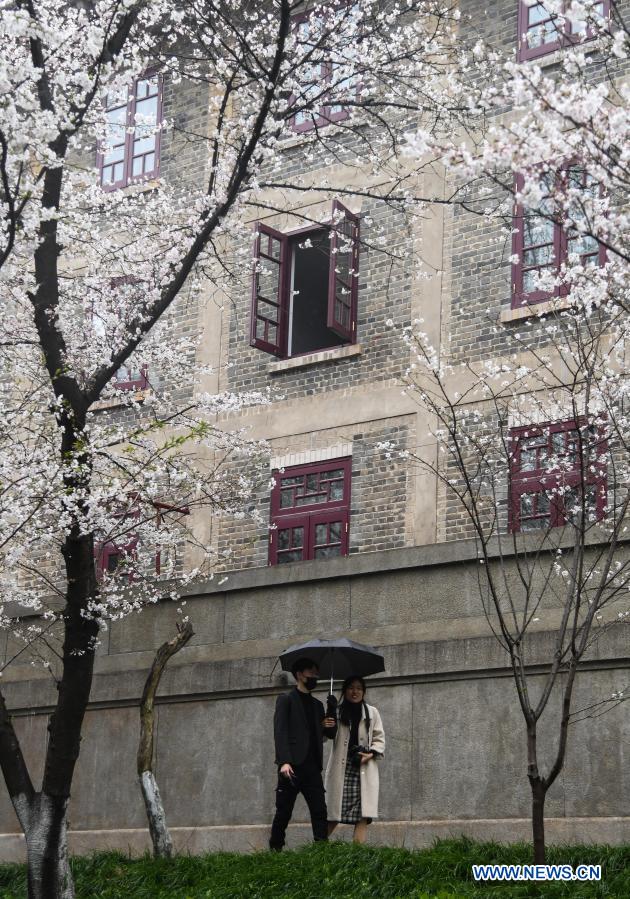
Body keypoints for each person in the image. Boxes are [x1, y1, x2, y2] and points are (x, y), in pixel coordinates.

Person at [269, 657, 337, 850]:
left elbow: (329, 734)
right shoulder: (286, 699)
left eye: (316, 673)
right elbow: (280, 731)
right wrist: (284, 762)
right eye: (311, 672)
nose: (315, 676)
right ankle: (274, 850)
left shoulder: (318, 706)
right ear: (299, 675)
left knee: (319, 811)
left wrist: (332, 710)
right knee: (283, 812)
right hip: (291, 766)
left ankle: (321, 851)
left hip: (312, 767)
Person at [325, 675, 385, 844]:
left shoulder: (372, 712)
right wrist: (328, 716)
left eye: (359, 688)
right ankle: (316, 848)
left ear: (364, 691)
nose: (355, 691)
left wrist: (371, 753)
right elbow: (325, 736)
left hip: (363, 769)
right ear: (345, 690)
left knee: (363, 815)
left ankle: (357, 854)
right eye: (351, 687)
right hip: (342, 770)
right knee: (334, 814)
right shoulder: (337, 711)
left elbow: (379, 738)